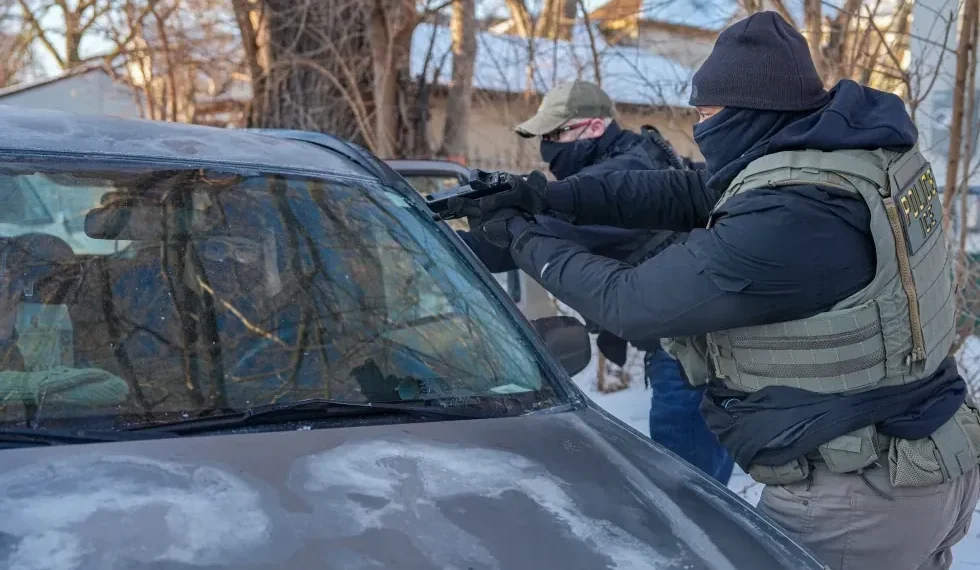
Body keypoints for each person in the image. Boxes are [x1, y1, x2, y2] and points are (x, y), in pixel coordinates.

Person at [446, 11, 980, 570]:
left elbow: (630, 303)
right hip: (923, 462)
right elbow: (684, 190)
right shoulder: (846, 155)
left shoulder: (794, 216)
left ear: (750, 112)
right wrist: (545, 197)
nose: (701, 126)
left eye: (707, 113)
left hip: (858, 496)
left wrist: (521, 237)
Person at [457, 79, 735, 484]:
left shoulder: (624, 173)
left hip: (688, 353)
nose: (547, 147)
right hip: (694, 343)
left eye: (555, 134)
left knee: (687, 491)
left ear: (592, 127)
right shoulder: (637, 156)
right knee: (702, 483)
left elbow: (529, 236)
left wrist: (432, 240)